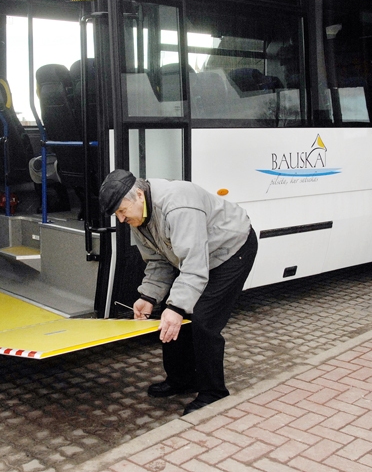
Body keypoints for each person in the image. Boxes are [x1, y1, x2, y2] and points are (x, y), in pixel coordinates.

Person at [99, 169, 258, 415]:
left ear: (139, 195)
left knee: (203, 319)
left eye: (122, 211)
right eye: (117, 214)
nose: (121, 219)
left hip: (231, 250)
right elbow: (159, 260)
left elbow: (194, 264)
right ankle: (182, 380)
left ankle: (213, 392)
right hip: (198, 257)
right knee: (171, 315)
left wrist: (177, 307)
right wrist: (148, 297)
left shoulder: (177, 206)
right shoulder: (138, 217)